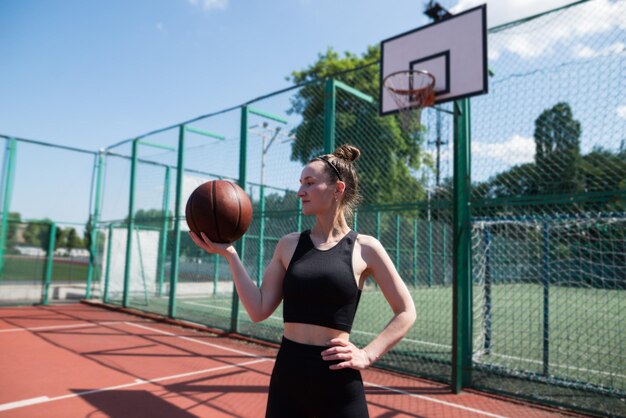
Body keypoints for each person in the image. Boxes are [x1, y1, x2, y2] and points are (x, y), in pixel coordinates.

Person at [189, 144, 416, 418]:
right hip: (289, 376)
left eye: (309, 183)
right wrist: (230, 255)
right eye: (300, 184)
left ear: (337, 189)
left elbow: (406, 311)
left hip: (337, 380)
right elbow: (258, 310)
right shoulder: (288, 245)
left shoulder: (366, 248)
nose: (300, 192)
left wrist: (368, 354)